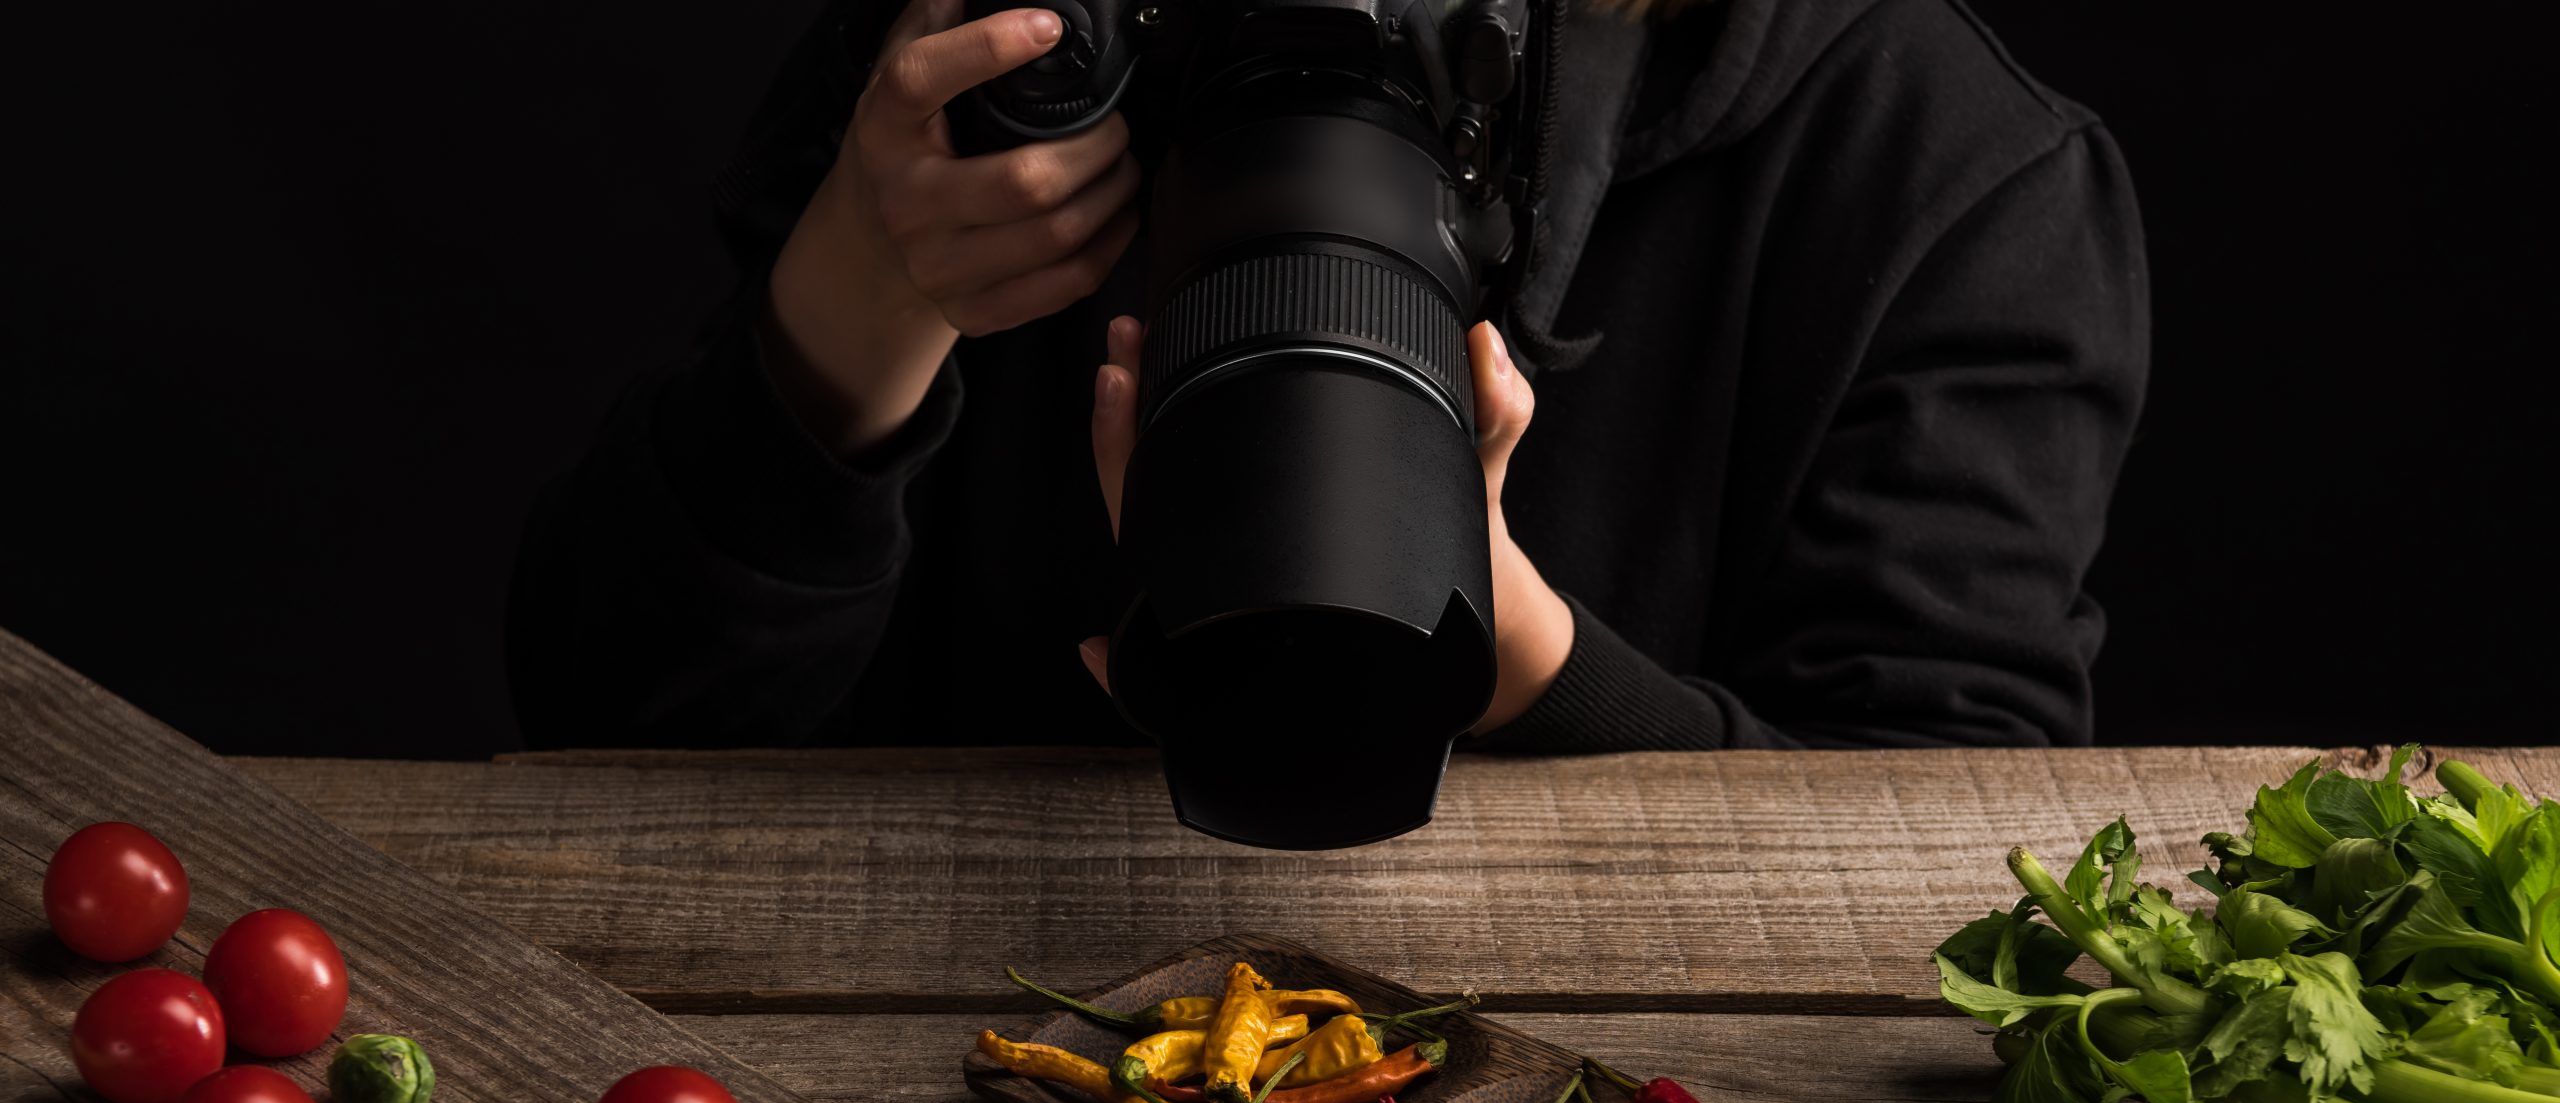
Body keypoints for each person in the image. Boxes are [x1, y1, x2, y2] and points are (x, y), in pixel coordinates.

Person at [509, 0, 2145, 754]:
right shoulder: (1002, 71)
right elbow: (604, 726)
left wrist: (1524, 657)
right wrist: (856, 314)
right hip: (941, 1089)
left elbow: (1946, 893)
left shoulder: (1942, 175)